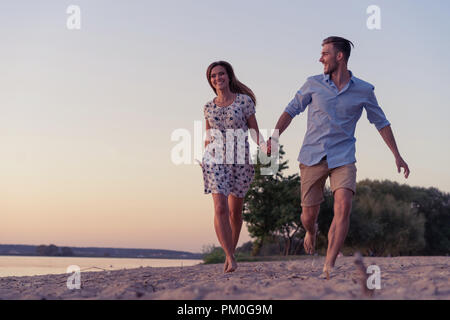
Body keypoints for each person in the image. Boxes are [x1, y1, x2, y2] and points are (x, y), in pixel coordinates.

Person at [267, 36, 410, 279]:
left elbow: (381, 123)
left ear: (339, 56)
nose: (320, 58)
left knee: (343, 207)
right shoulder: (312, 84)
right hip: (312, 155)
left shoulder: (364, 90)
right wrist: (273, 137)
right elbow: (291, 110)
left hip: (344, 157)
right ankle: (311, 231)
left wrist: (397, 155)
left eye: (325, 53)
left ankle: (329, 265)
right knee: (308, 216)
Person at [202, 61, 265, 273]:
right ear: (210, 81)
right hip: (215, 158)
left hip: (240, 158)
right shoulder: (208, 107)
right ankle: (229, 256)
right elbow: (208, 136)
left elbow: (254, 131)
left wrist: (264, 145)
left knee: (235, 213)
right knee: (219, 207)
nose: (217, 78)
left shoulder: (244, 102)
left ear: (229, 77)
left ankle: (232, 252)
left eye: (221, 74)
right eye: (213, 76)